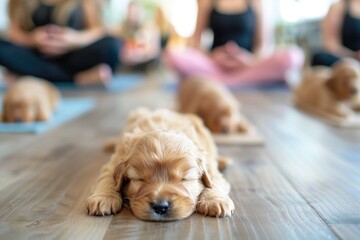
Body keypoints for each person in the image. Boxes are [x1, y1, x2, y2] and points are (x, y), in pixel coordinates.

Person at [165, 0, 304, 86]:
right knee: (173, 55)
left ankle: (218, 81)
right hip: (215, 65)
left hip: (248, 65)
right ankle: (245, 81)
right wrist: (212, 57)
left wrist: (249, 60)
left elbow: (263, 45)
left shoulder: (256, 1)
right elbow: (195, 43)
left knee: (293, 55)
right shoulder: (207, 1)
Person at [0, 0, 121, 85]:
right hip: (36, 55)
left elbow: (97, 29)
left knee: (112, 45)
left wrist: (75, 39)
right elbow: (13, 34)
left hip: (73, 55)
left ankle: (32, 76)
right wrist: (32, 40)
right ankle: (77, 79)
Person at [312, 0, 360, 67]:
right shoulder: (338, 7)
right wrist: (353, 55)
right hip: (344, 57)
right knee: (320, 58)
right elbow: (330, 44)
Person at [119, 0, 161, 69]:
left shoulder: (149, 27)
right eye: (130, 13)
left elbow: (154, 50)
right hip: (129, 64)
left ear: (140, 12)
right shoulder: (123, 28)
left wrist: (140, 54)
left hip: (147, 62)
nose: (131, 16)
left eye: (134, 13)